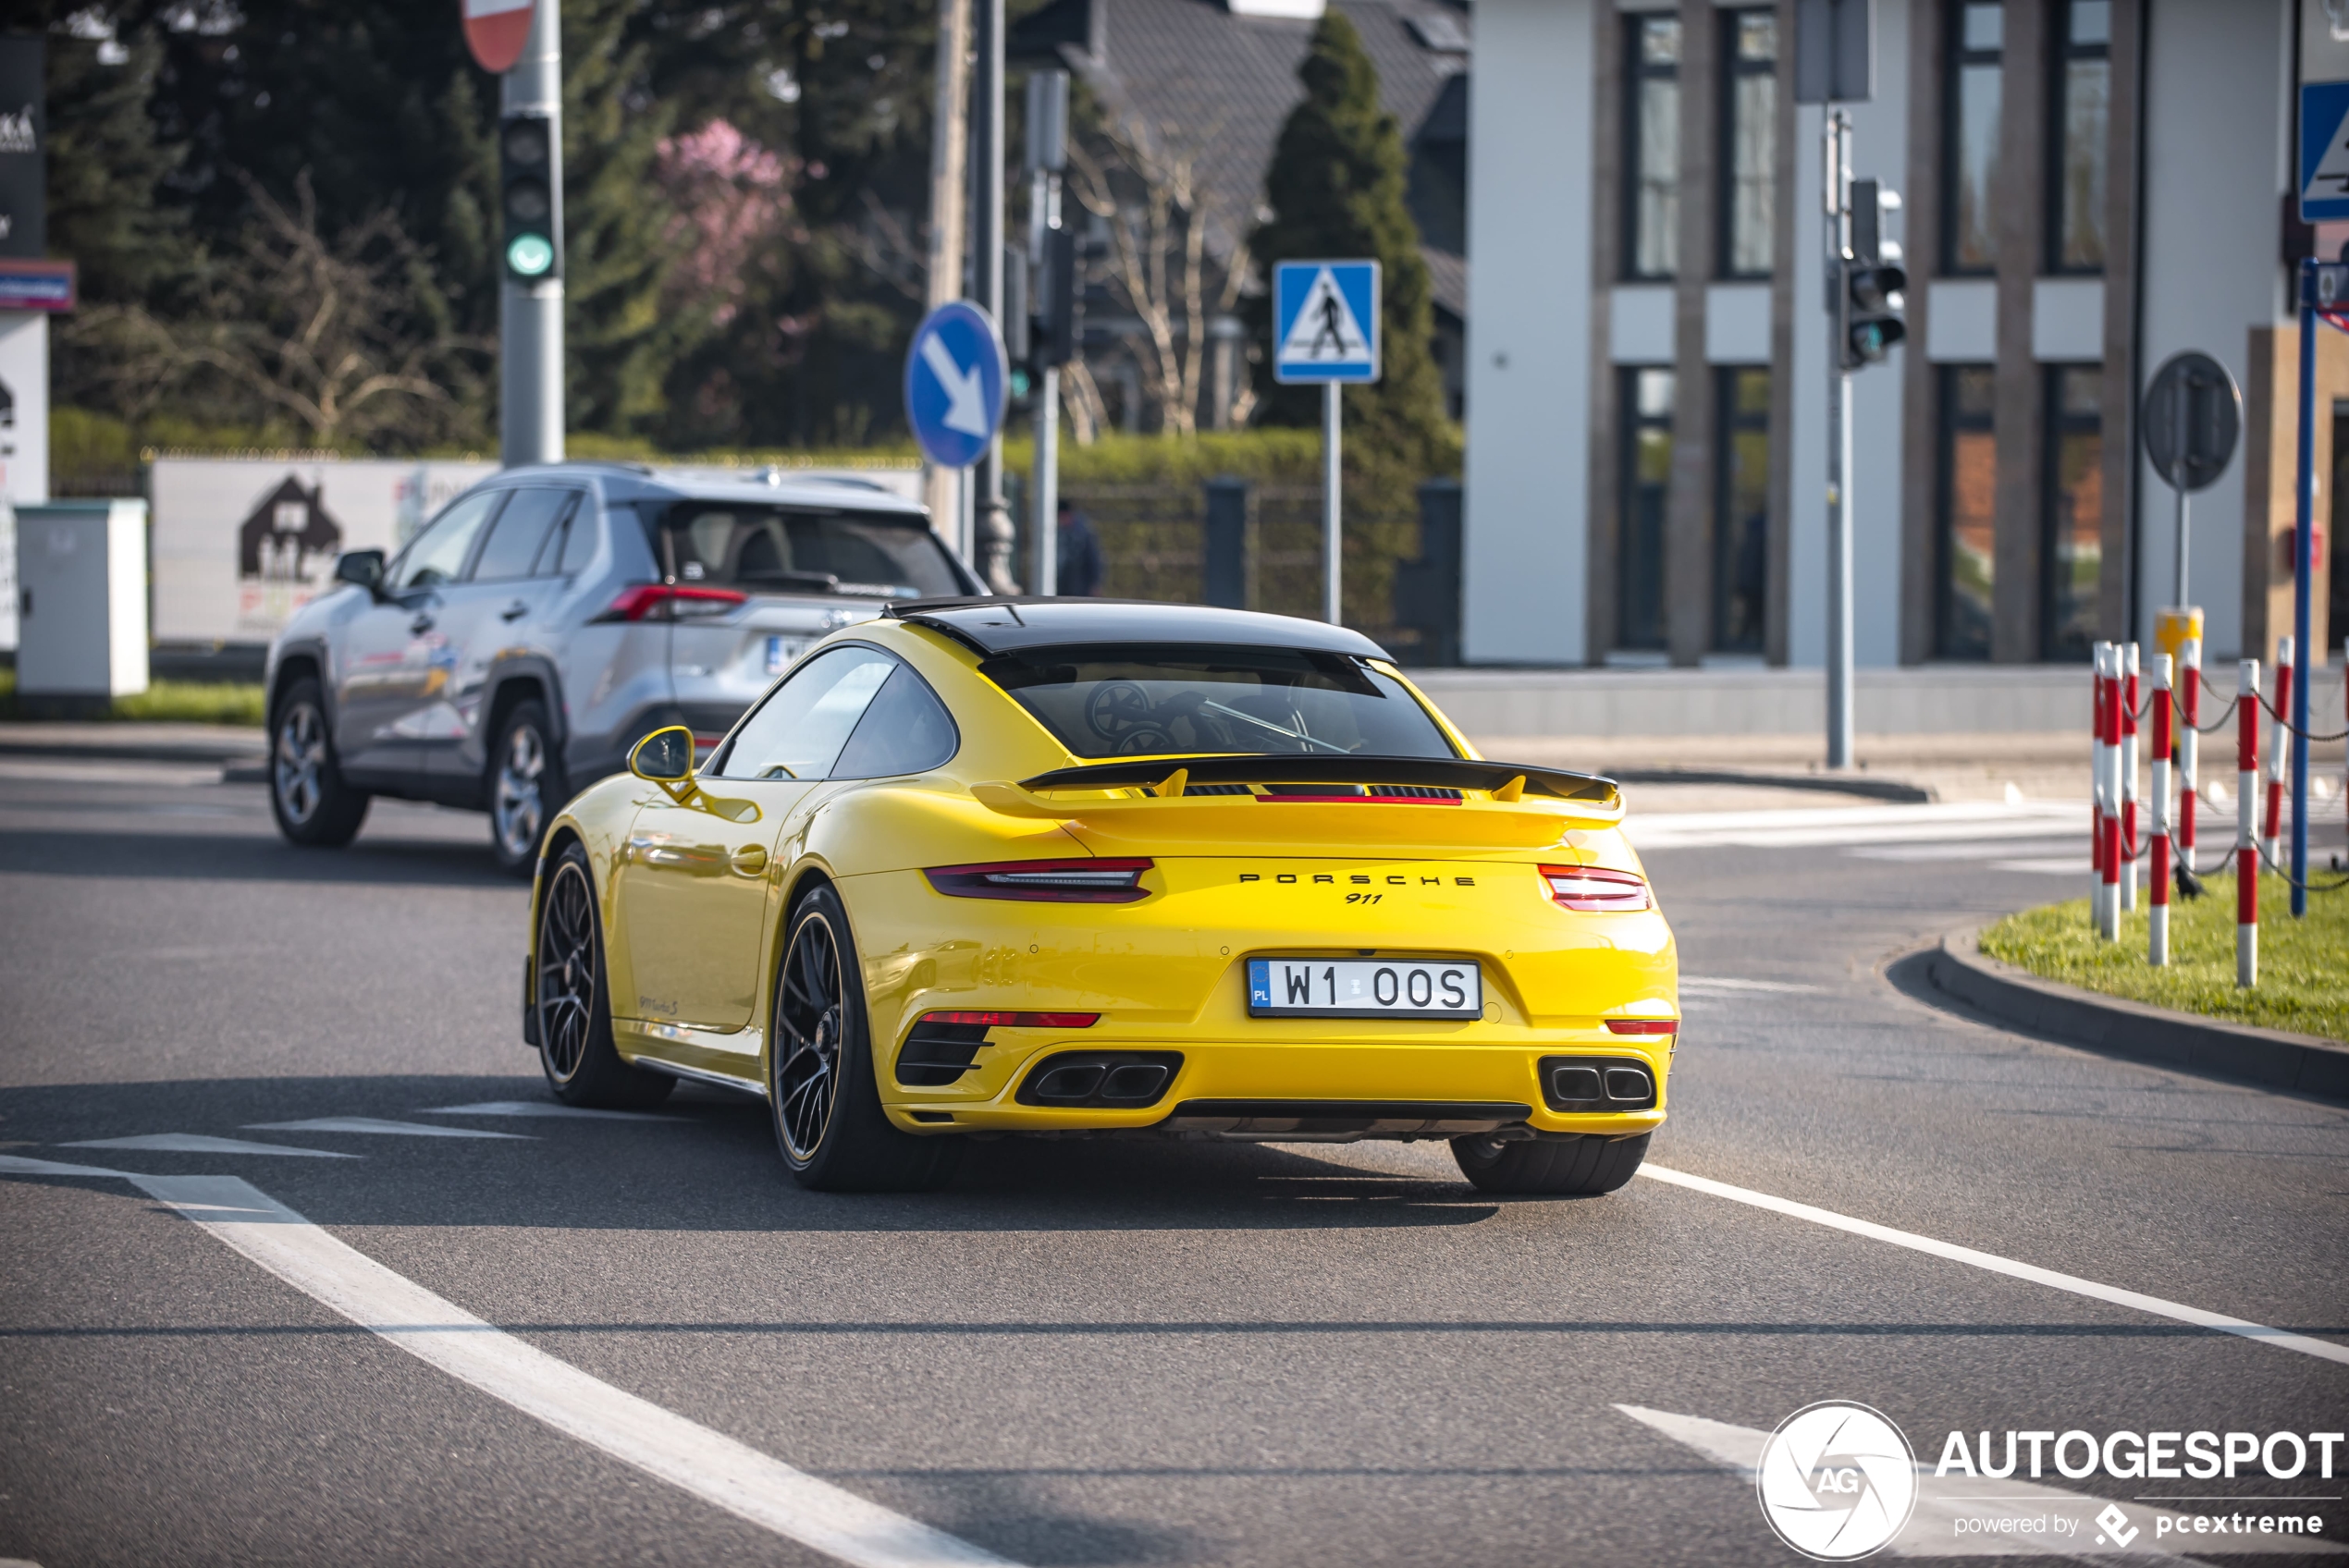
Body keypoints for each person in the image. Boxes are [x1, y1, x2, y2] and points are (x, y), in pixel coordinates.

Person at [1055, 497, 1104, 596]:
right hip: (1063, 587)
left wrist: (1095, 583)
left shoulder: (1083, 534)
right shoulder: (1060, 532)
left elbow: (1094, 559)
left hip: (1080, 588)